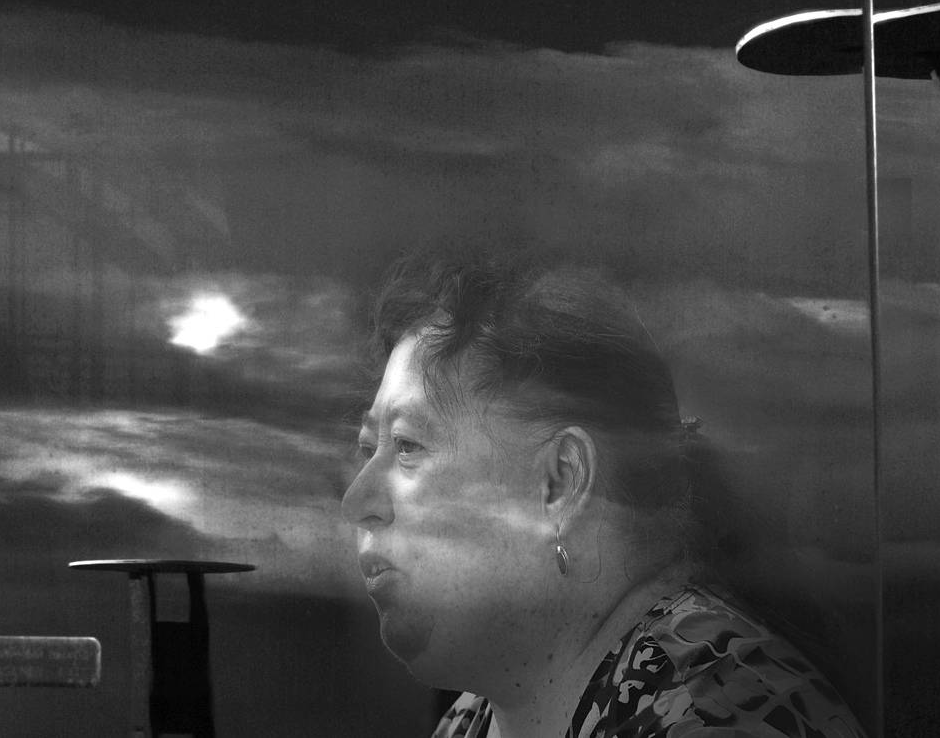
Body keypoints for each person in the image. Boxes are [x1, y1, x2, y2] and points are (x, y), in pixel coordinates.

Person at [341, 251, 866, 738]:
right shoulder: (472, 718)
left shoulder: (724, 716)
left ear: (560, 482)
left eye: (407, 445)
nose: (357, 502)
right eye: (369, 448)